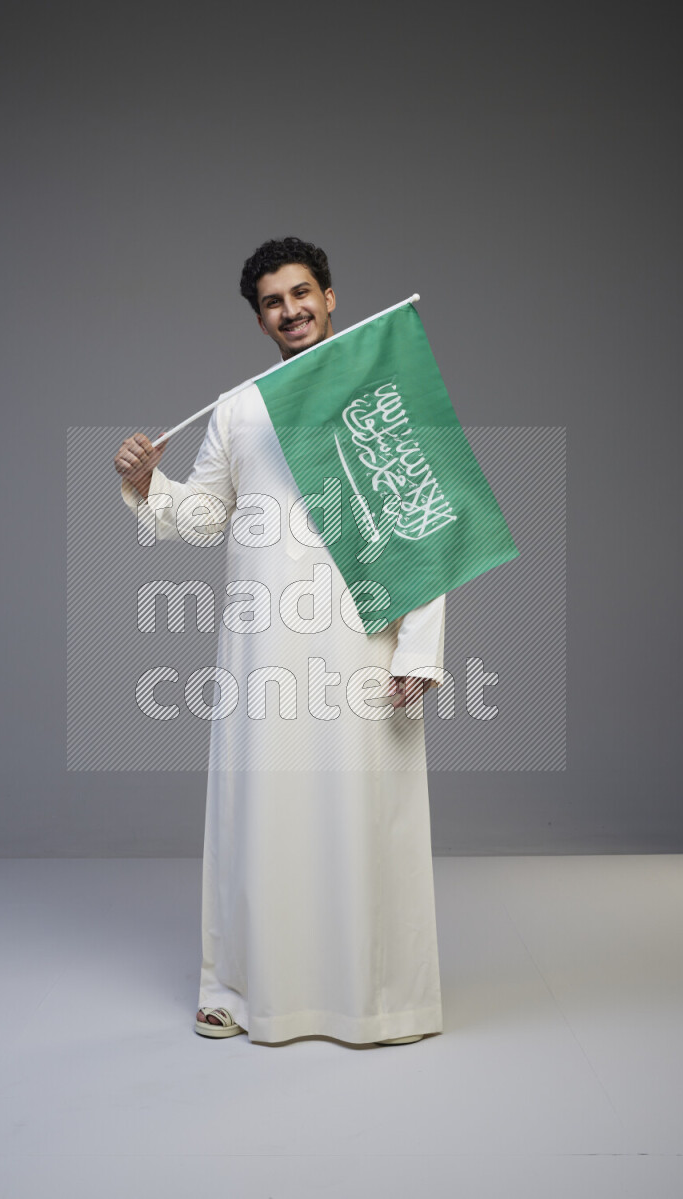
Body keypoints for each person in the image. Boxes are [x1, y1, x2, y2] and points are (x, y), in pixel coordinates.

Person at [114, 237, 446, 1046]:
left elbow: (425, 525)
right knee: (257, 815)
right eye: (273, 301)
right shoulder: (240, 406)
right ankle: (239, 990)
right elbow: (204, 518)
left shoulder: (382, 392)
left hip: (363, 638)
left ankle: (377, 998)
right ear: (259, 317)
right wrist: (143, 483)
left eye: (303, 293)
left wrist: (420, 651)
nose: (291, 310)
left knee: (363, 813)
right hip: (263, 649)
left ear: (330, 297)